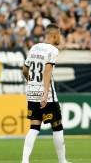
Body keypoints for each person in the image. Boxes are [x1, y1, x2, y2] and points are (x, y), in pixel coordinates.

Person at [21, 23, 71, 163]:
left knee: (34, 127)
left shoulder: (33, 48)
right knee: (57, 126)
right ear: (55, 34)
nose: (60, 37)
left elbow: (25, 70)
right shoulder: (53, 50)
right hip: (47, 95)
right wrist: (44, 94)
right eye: (60, 34)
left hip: (32, 93)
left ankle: (25, 160)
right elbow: (47, 70)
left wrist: (32, 84)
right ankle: (62, 161)